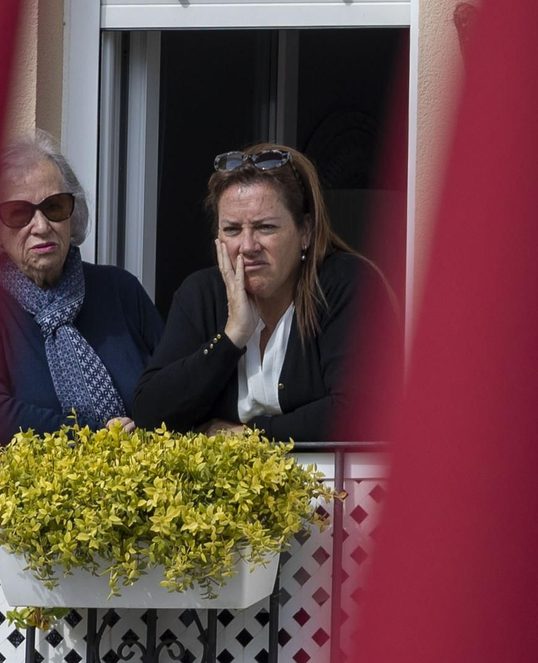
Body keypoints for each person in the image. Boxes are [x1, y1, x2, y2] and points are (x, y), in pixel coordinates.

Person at [131, 143, 392, 441]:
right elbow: (149, 414)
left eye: (265, 227)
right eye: (231, 230)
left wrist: (250, 436)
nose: (247, 246)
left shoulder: (345, 283)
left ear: (305, 231)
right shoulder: (201, 294)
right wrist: (231, 337)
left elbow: (360, 411)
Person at [0, 132, 163, 447]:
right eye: (19, 213)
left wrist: (144, 427)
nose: (42, 226)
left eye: (54, 207)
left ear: (73, 214)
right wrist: (93, 434)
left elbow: (173, 389)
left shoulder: (120, 289)